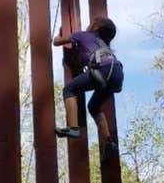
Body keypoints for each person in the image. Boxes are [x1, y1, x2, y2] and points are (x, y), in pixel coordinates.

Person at [52, 17, 124, 161]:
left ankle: (73, 128)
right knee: (94, 107)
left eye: (92, 22)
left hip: (102, 70)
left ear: (95, 27)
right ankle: (109, 143)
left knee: (69, 90)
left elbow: (57, 42)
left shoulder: (83, 35)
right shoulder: (104, 45)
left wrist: (59, 35)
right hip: (117, 74)